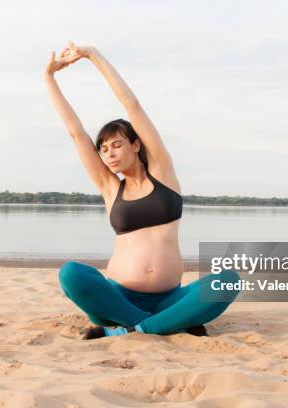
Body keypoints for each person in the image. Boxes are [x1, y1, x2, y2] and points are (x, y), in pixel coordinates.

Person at [44, 41, 240, 339]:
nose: (109, 153)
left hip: (169, 297)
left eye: (117, 144)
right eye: (104, 149)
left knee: (228, 281)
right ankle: (162, 324)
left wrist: (93, 55)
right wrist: (49, 78)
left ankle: (131, 329)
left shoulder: (162, 172)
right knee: (71, 273)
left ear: (136, 145)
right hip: (118, 297)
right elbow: (75, 133)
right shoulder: (109, 187)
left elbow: (132, 105)